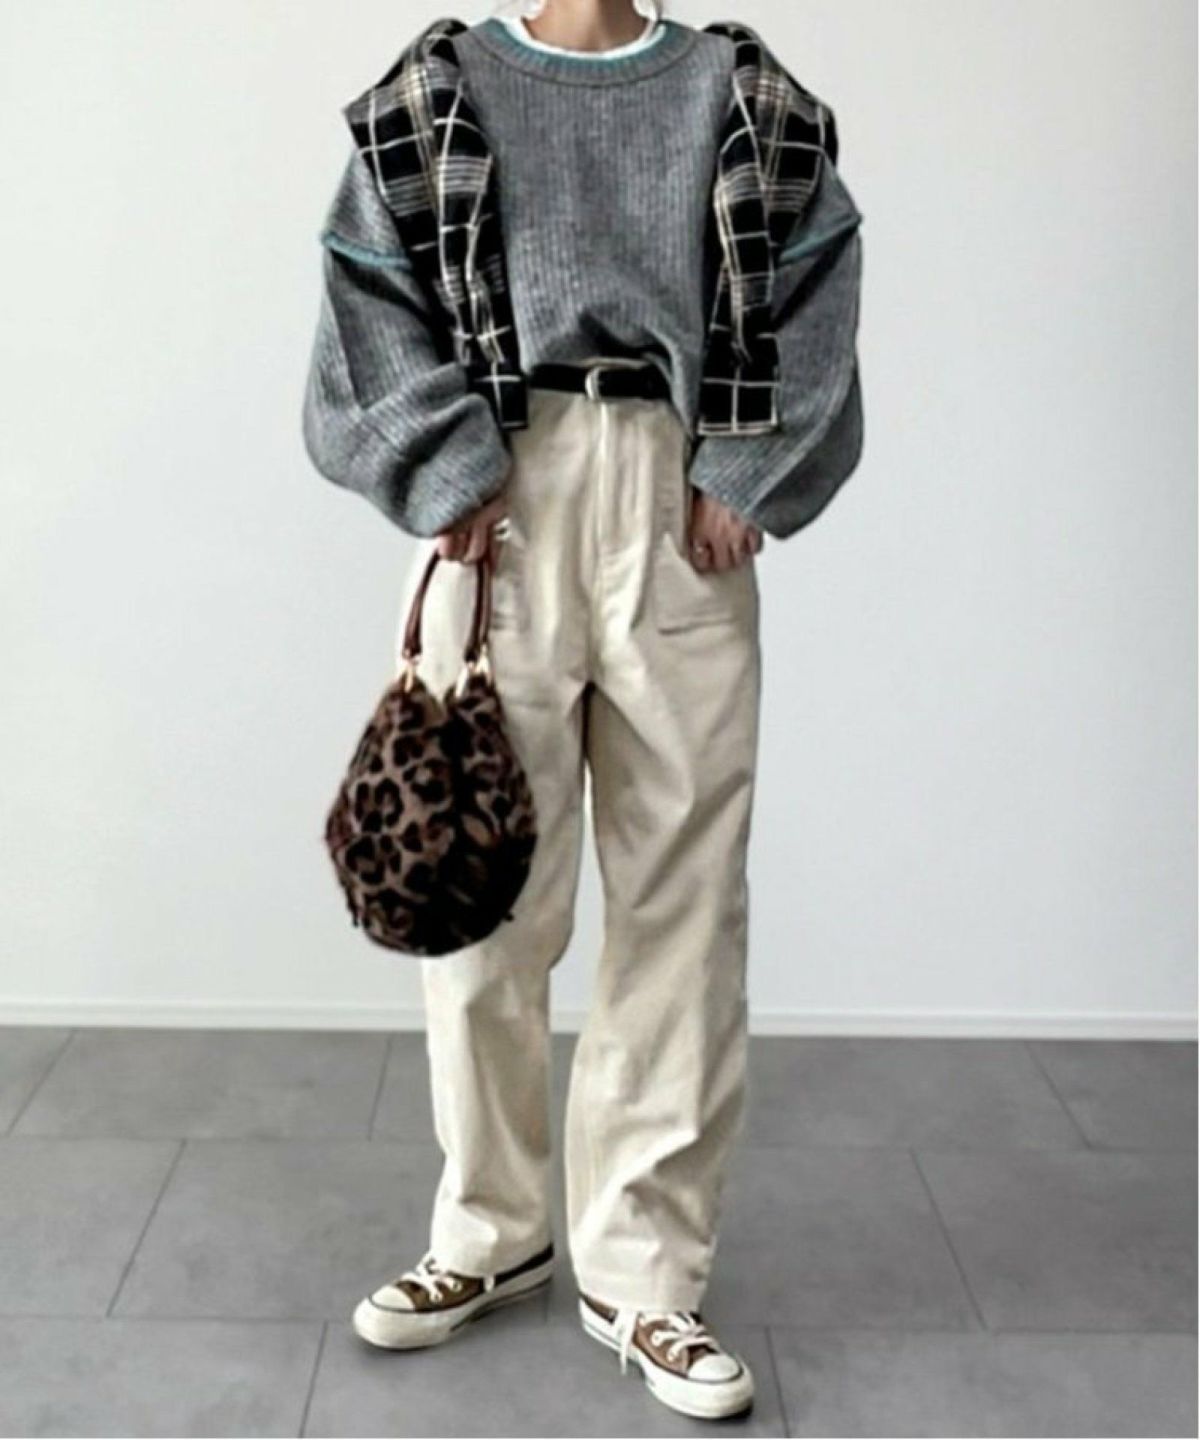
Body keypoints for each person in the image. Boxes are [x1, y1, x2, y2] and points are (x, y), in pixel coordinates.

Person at [301, 0, 863, 1420]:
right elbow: (364, 288)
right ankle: (489, 1232)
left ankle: (646, 1274)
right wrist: (444, 466)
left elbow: (820, 272)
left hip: (678, 495)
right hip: (503, 495)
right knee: (475, 880)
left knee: (684, 900)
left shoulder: (742, 90)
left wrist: (749, 467)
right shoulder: (438, 87)